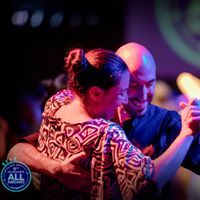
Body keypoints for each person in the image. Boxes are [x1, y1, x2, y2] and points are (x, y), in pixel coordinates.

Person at [7, 46, 200, 199]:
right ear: (117, 79)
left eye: (150, 84)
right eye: (130, 86)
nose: (141, 96)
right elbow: (16, 152)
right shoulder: (99, 126)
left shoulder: (167, 123)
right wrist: (54, 168)